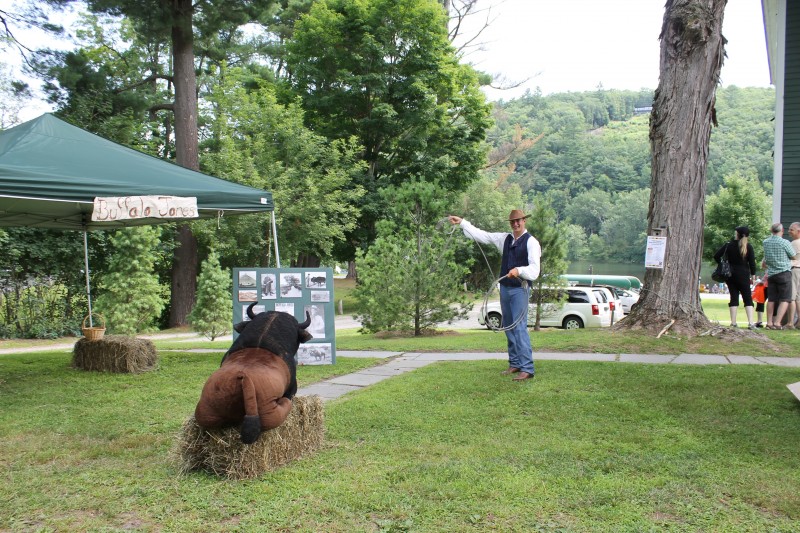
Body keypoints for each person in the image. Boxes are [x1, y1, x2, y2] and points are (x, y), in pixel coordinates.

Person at [449, 210, 541, 381]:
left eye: (518, 221)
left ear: (524, 221)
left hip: (520, 289)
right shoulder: (504, 238)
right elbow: (483, 236)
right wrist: (462, 223)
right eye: (513, 222)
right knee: (508, 326)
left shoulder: (532, 242)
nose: (515, 224)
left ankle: (527, 368)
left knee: (519, 327)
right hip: (505, 288)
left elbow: (535, 270)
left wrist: (519, 270)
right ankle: (515, 363)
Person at [713, 226, 756, 328]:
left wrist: (722, 264)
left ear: (737, 234)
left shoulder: (729, 245)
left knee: (733, 297)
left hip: (730, 274)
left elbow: (716, 256)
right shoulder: (748, 247)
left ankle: (733, 322)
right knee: (747, 298)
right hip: (744, 275)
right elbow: (752, 263)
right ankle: (750, 323)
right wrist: (753, 275)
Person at [761, 222, 798, 329]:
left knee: (772, 299)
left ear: (772, 231)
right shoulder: (785, 242)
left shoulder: (766, 242)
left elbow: (766, 258)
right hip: (784, 273)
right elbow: (793, 256)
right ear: (781, 231)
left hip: (771, 274)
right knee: (785, 299)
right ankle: (777, 322)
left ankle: (769, 323)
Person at [788, 222, 800, 328]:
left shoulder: (795, 243)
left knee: (792, 297)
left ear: (798, 231)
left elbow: (789, 257)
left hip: (795, 270)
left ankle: (790, 322)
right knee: (798, 298)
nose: (789, 231)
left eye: (792, 229)